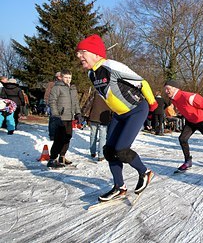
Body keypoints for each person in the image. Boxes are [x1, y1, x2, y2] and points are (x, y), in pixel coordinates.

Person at [76, 34, 157, 201]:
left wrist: (153, 103)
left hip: (136, 110)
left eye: (82, 52)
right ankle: (119, 187)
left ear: (95, 54)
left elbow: (142, 82)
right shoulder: (91, 74)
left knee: (121, 149)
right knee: (108, 150)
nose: (78, 56)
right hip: (119, 115)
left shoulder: (111, 66)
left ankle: (145, 172)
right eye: (78, 53)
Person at [47, 69, 82, 168]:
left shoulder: (72, 88)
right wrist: (55, 115)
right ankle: (52, 159)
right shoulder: (57, 87)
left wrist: (78, 113)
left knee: (68, 137)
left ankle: (62, 156)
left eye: (70, 78)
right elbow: (52, 101)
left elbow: (75, 102)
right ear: (61, 77)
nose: (68, 80)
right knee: (59, 139)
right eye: (66, 77)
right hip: (60, 117)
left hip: (69, 117)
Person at [82, 91, 112, 161]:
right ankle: (101, 155)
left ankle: (92, 152)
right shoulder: (110, 93)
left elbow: (88, 102)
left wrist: (83, 112)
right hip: (104, 118)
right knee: (103, 137)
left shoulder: (96, 92)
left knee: (93, 135)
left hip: (94, 116)